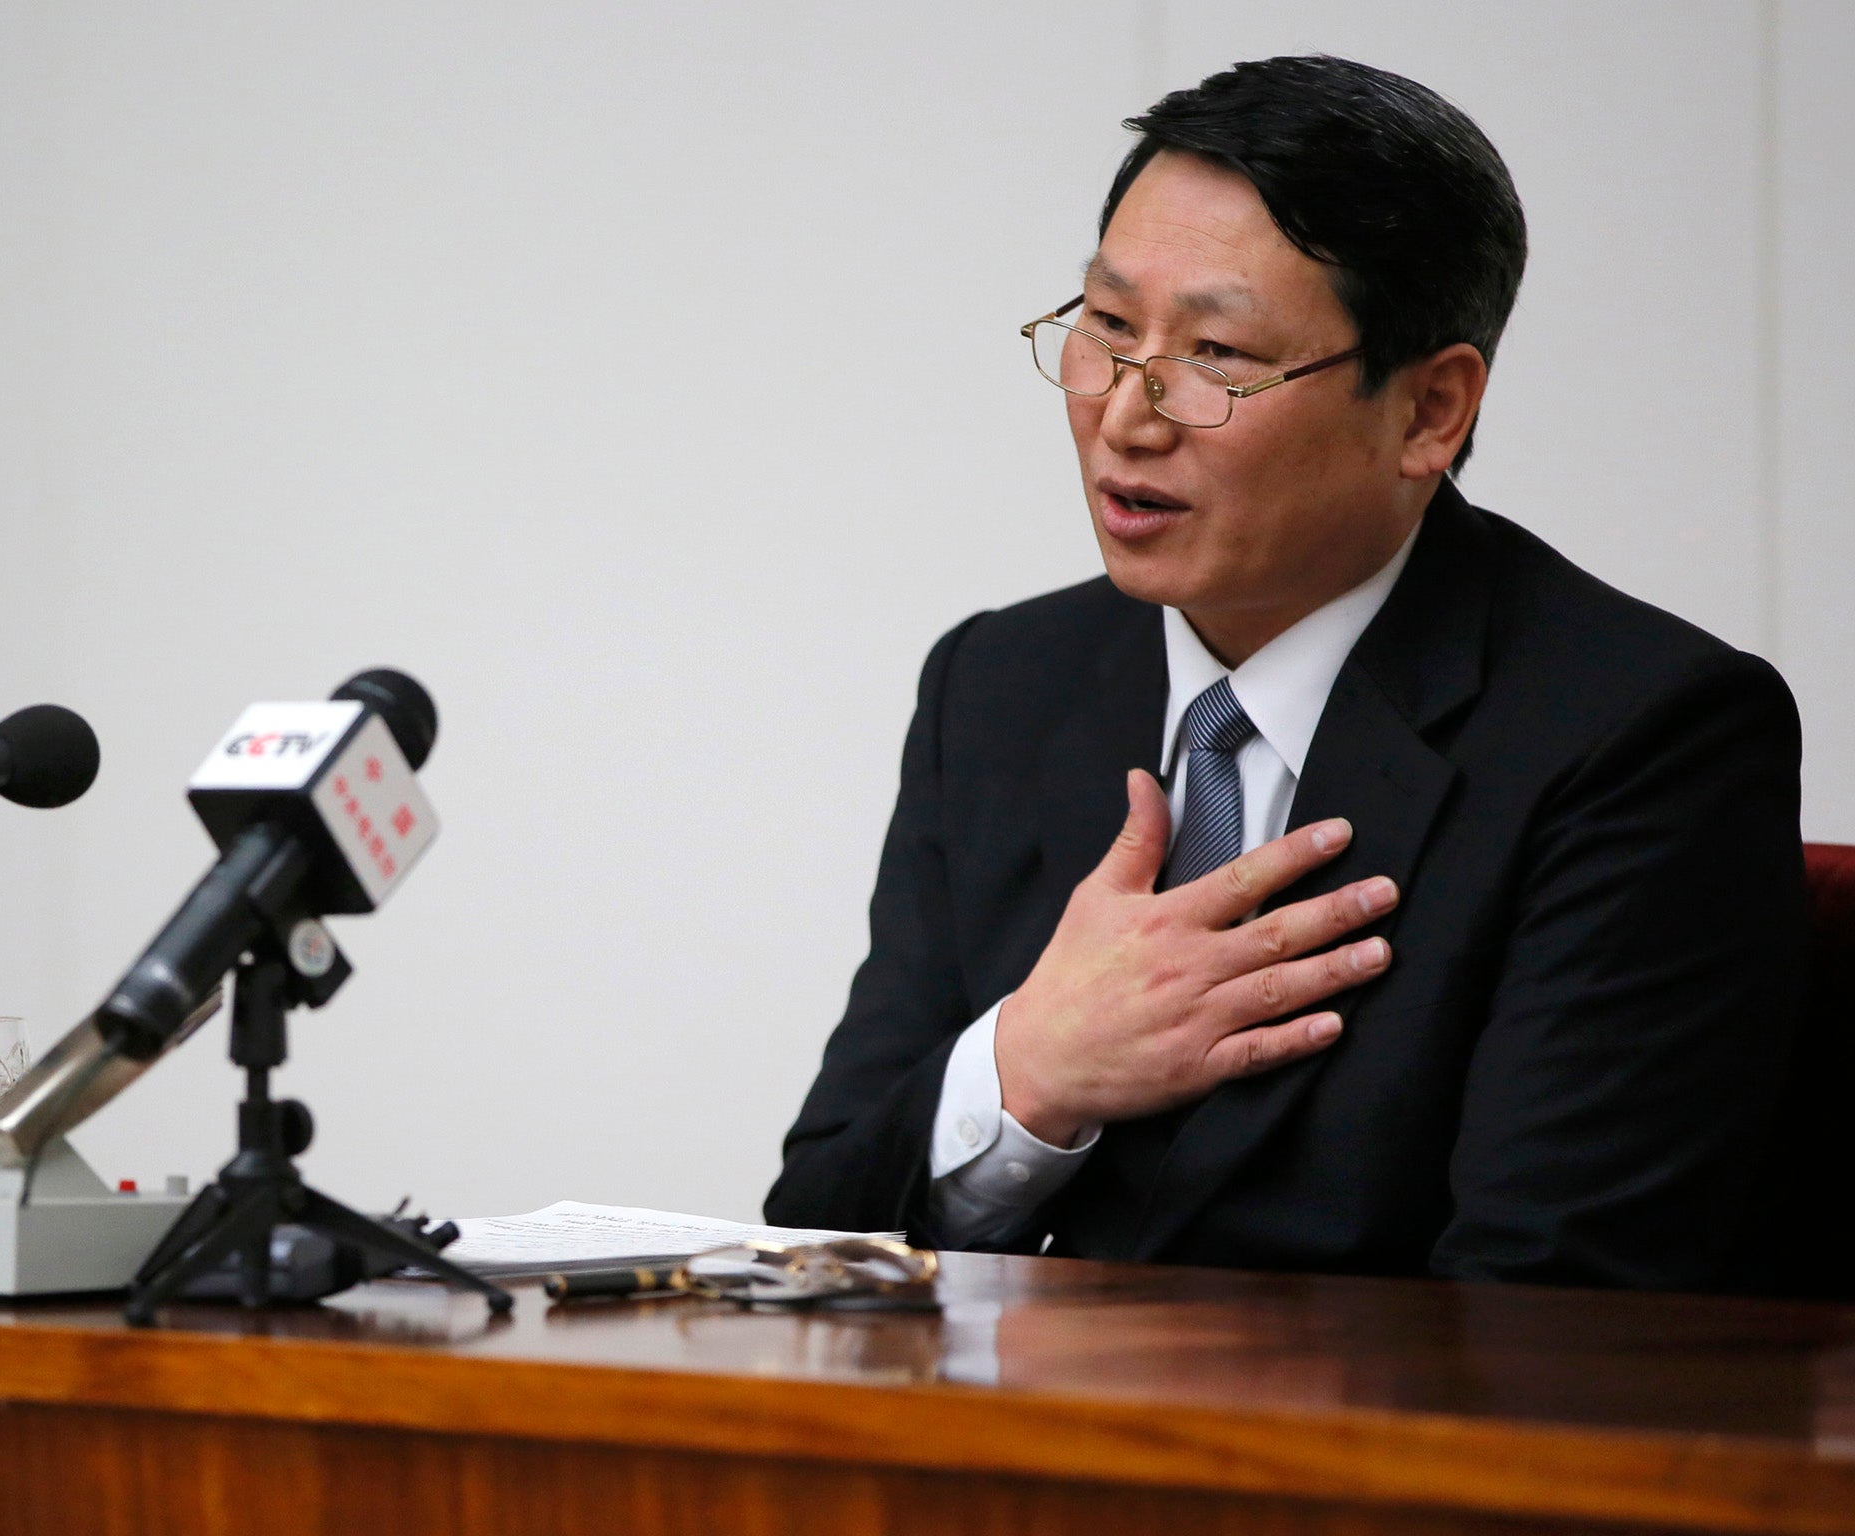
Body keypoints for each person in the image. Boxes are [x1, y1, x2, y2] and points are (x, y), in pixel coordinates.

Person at [764, 55, 1805, 1290]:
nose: (1127, 414)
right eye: (1104, 326)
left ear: (1429, 411)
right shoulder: (998, 683)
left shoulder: (1640, 738)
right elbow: (816, 1231)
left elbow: (1552, 1309)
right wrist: (1027, 1071)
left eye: (1215, 353)